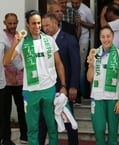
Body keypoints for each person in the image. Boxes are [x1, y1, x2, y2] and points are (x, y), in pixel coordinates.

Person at [3, 10, 67, 145]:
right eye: (34, 23)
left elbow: (59, 63)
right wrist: (15, 42)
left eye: (39, 23)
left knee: (52, 126)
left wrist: (63, 86)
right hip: (30, 91)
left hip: (49, 89)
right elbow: (6, 61)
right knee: (32, 129)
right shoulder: (23, 42)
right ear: (27, 24)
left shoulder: (49, 40)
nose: (37, 26)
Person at [41, 13, 80, 145]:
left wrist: (73, 86)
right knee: (43, 120)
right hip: (45, 87)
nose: (44, 28)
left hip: (64, 87)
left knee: (69, 120)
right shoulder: (41, 40)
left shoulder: (69, 39)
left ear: (56, 23)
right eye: (43, 26)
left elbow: (75, 64)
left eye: (47, 25)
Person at [86, 25, 119, 145]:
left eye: (108, 36)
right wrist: (91, 65)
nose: (106, 39)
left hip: (113, 98)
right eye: (103, 37)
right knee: (99, 129)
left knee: (113, 132)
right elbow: (89, 79)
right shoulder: (94, 53)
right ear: (99, 38)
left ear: (113, 37)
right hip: (97, 98)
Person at [0, 13, 27, 145]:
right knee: (5, 111)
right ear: (4, 23)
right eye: (9, 23)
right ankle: (6, 139)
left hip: (21, 80)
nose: (12, 26)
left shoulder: (21, 36)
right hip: (6, 81)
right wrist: (8, 75)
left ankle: (24, 136)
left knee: (22, 109)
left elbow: (21, 57)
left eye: (14, 23)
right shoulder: (2, 37)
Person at [70, 0, 95, 103]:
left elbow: (93, 25)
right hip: (71, 40)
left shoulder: (86, 10)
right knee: (72, 65)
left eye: (77, 3)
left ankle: (81, 95)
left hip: (83, 41)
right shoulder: (67, 7)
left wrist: (81, 22)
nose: (74, 5)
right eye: (73, 3)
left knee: (80, 68)